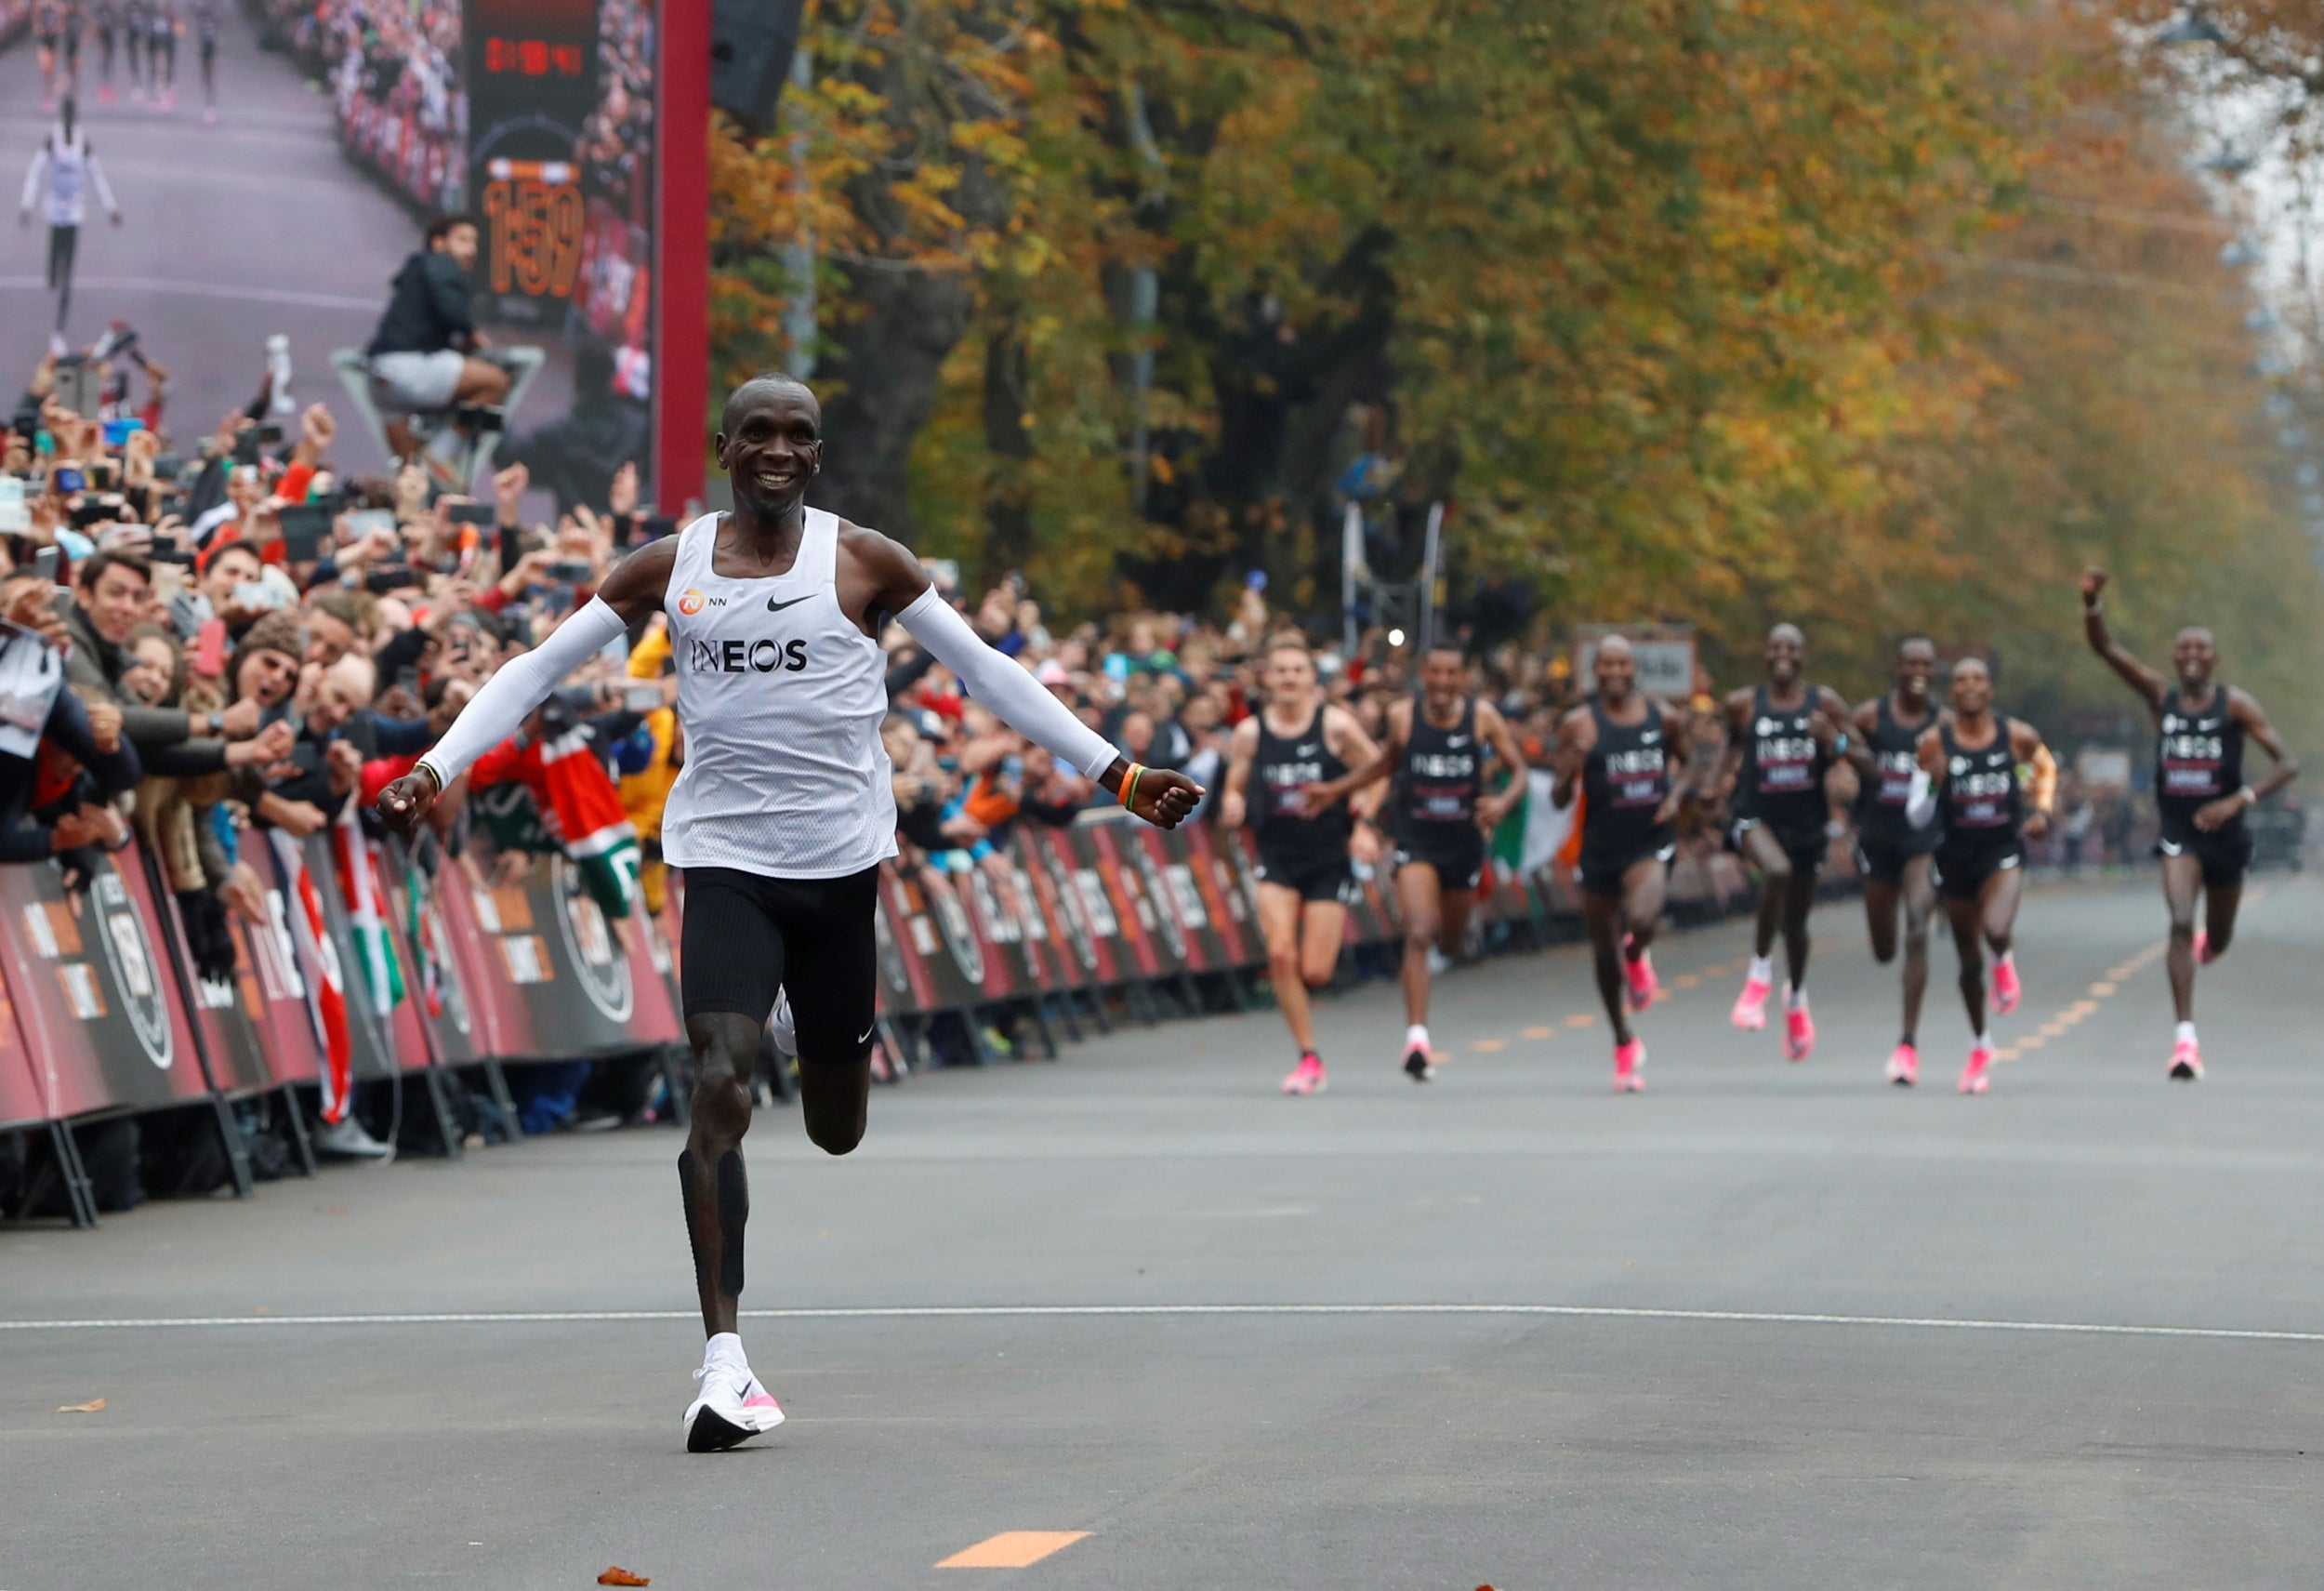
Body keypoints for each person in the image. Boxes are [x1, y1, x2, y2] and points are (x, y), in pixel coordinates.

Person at [379, 375, 1201, 1452]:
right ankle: (725, 1362)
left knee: (834, 1126)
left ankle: (812, 1044)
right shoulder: (667, 567)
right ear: (724, 448)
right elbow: (534, 672)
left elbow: (989, 671)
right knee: (716, 1080)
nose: (775, 449)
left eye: (796, 436)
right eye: (755, 433)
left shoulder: (867, 561)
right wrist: (435, 766)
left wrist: (1116, 773)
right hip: (721, 859)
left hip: (838, 870)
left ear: (817, 455)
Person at [2080, 569, 2297, 1079]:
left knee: (2216, 935)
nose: (2193, 656)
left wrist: (2238, 800)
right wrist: (2092, 606)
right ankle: (2185, 1041)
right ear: (2176, 658)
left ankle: (2212, 943)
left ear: (2214, 659)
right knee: (2179, 920)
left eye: (2202, 649)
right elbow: (2108, 651)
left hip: (2226, 836)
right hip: (2179, 832)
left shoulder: (2236, 705)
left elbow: (2287, 763)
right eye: (2185, 650)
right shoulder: (2162, 697)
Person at [1303, 641, 1525, 1081]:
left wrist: (1500, 800)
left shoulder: (1481, 716)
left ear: (1464, 678)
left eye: (1451, 674)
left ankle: (1443, 953)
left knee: (1449, 941)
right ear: (1424, 674)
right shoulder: (1405, 717)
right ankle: (1417, 1039)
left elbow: (1517, 769)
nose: (1442, 682)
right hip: (1415, 837)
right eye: (1435, 673)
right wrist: (1335, 791)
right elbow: (1383, 766)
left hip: (1462, 841)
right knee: (1419, 930)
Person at [1219, 634, 1384, 1096]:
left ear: (1313, 679)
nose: (1290, 678)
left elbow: (1379, 770)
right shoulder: (1251, 732)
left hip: (1328, 856)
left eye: (1298, 670)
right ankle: (1308, 1056)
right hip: (1276, 854)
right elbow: (1234, 784)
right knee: (1278, 954)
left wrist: (1365, 824)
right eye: (1282, 670)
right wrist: (1233, 804)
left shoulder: (1335, 726)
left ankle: (1309, 1042)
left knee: (1315, 972)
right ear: (1267, 678)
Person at [1907, 656, 2053, 1094]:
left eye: (1979, 679)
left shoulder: (2016, 737)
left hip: (2002, 849)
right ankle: (1980, 1045)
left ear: (1990, 690)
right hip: (1954, 856)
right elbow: (1916, 818)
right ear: (1952, 692)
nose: (1970, 686)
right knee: (1968, 963)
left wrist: (2043, 811)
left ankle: (2004, 959)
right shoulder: (1933, 743)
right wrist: (1932, 784)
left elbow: (2046, 769)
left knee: (1995, 928)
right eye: (1961, 680)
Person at [1551, 635, 1689, 1092]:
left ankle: (1638, 954)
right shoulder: (1578, 723)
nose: (1613, 673)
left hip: (1648, 839)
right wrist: (1572, 762)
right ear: (1596, 671)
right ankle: (1623, 1041)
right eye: (1605, 665)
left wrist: (1675, 795)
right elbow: (1557, 797)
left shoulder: (1661, 717)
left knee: (1644, 917)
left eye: (1621, 665)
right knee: (1601, 950)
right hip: (1599, 847)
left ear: (1634, 670)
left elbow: (1691, 765)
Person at [1713, 624, 1855, 1061]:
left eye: (1791, 648)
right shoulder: (1743, 704)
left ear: (1803, 655)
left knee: (1795, 925)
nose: (1783, 655)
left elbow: (1857, 751)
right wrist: (1710, 790)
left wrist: (1836, 741)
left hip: (1806, 823)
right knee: (1775, 871)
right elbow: (1719, 752)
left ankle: (1795, 999)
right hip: (1756, 815)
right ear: (1764, 653)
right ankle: (1758, 976)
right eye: (1774, 646)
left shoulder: (1824, 703)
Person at [1852, 637, 1943, 1085]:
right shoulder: (1871, 716)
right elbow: (1842, 757)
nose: (1919, 671)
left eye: (1927, 663)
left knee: (1918, 927)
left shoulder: (1944, 723)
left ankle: (1907, 1044)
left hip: (1922, 839)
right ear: (1898, 667)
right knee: (1885, 948)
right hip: (1877, 838)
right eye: (1911, 663)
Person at [364, 215, 512, 468]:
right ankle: (440, 457)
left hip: (381, 380)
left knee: (411, 477)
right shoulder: (441, 265)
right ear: (439, 243)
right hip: (410, 369)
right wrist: (472, 334)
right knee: (496, 382)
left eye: (475, 242)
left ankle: (426, 469)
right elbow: (455, 315)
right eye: (463, 239)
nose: (472, 249)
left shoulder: (416, 272)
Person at [18, 97, 123, 351]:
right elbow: (35, 171)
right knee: (54, 267)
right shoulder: (51, 140)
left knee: (68, 274)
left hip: (74, 213)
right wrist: (27, 204)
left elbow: (96, 174)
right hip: (55, 211)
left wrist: (111, 206)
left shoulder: (82, 143)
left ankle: (59, 330)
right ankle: (52, 272)